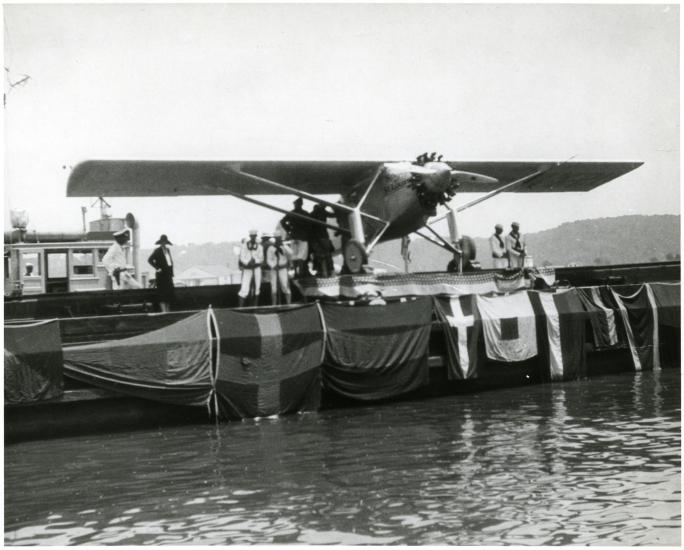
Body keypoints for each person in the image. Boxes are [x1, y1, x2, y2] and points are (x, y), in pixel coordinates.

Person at [279, 197, 311, 278]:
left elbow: (282, 221)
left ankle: (296, 273)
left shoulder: (291, 213)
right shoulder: (305, 213)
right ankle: (301, 273)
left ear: (294, 204)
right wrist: (306, 231)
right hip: (303, 237)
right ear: (302, 204)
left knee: (294, 255)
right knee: (302, 256)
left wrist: (288, 230)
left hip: (293, 236)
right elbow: (310, 224)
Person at [148, 234, 175, 312]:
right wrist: (157, 268)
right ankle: (164, 311)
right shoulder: (157, 251)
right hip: (161, 276)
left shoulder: (168, 250)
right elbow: (150, 260)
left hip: (168, 275)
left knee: (169, 294)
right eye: (162, 242)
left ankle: (168, 311)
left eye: (165, 242)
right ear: (160, 243)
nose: (164, 244)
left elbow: (169, 262)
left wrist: (171, 272)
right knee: (162, 294)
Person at [238, 229, 264, 307]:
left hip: (256, 268)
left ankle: (255, 306)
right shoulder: (244, 246)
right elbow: (242, 257)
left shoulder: (259, 246)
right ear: (250, 236)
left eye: (254, 236)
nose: (253, 238)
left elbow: (261, 258)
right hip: (247, 269)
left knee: (257, 288)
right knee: (244, 288)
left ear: (256, 236)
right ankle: (241, 307)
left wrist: (255, 261)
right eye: (252, 236)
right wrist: (248, 262)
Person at [266, 230, 293, 305]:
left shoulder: (284, 247)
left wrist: (283, 245)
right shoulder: (271, 248)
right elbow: (268, 260)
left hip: (283, 269)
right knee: (273, 288)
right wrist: (273, 266)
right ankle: (274, 304)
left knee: (285, 285)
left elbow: (291, 253)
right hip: (274, 269)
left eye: (279, 238)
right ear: (275, 238)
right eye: (276, 238)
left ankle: (288, 303)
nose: (278, 239)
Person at [309, 203, 334, 277]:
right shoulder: (323, 212)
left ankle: (321, 272)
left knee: (318, 256)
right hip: (323, 236)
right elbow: (332, 215)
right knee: (328, 255)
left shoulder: (312, 214)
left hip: (316, 238)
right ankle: (330, 272)